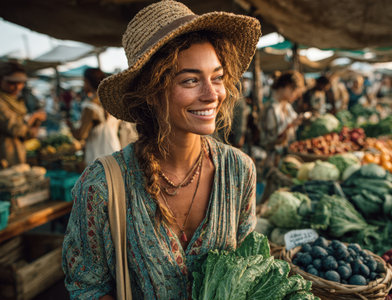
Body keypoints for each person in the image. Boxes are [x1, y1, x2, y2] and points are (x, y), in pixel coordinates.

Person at [62, 1, 261, 299]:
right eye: (191, 80)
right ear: (151, 92)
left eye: (217, 77)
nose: (211, 94)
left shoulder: (239, 171)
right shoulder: (101, 186)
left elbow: (247, 271)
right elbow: (87, 287)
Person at [68, 67, 121, 166]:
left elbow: (81, 135)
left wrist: (69, 125)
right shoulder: (112, 102)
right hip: (115, 150)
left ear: (87, 81)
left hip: (98, 157)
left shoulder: (90, 106)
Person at [0, 61, 46, 168]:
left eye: (20, 83)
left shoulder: (16, 100)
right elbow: (16, 129)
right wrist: (33, 117)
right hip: (4, 158)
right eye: (11, 83)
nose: (17, 87)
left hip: (18, 154)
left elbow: (26, 132)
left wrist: (34, 125)